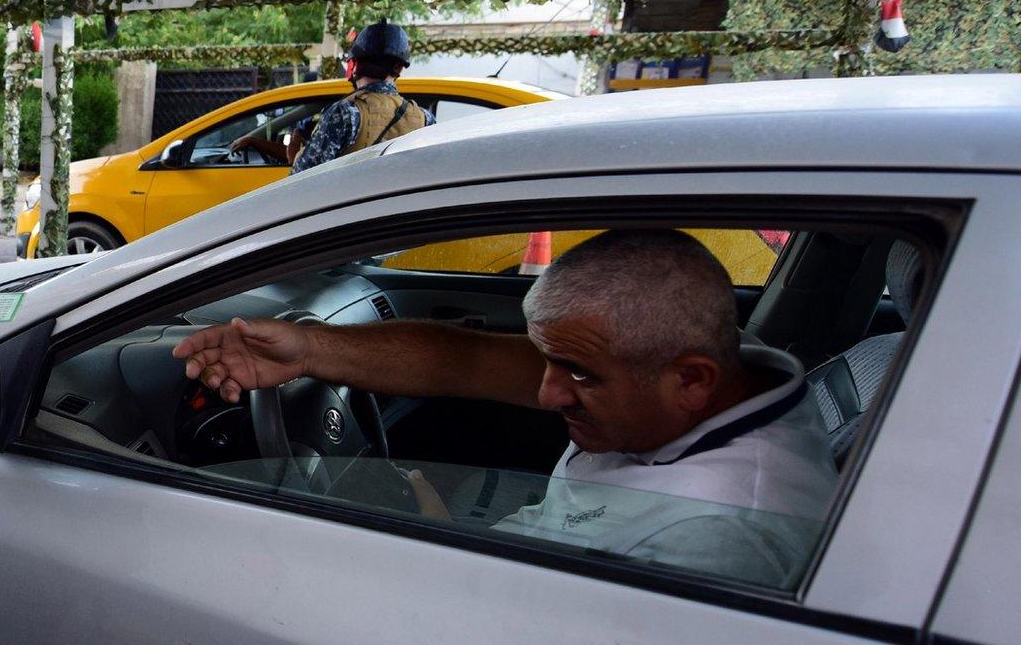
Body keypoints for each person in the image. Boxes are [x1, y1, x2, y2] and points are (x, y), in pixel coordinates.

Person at [172, 230, 839, 581]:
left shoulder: (718, 533)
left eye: (576, 374)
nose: (547, 393)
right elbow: (469, 360)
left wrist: (440, 549)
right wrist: (307, 352)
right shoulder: (693, 368)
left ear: (691, 380)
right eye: (549, 360)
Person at [249, 20, 431, 173]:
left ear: (356, 64)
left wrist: (294, 156)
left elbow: (303, 180)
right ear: (399, 68)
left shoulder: (345, 114)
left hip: (352, 215)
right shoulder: (425, 119)